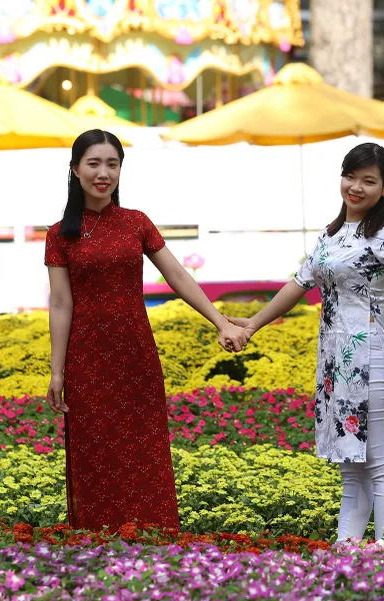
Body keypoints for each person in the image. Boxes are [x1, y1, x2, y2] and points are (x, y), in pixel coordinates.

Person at [227, 143, 384, 543]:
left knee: (381, 465)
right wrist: (253, 324)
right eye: (350, 176)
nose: (356, 187)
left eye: (368, 181)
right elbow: (299, 284)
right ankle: (346, 556)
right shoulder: (331, 234)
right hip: (334, 364)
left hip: (369, 358)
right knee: (351, 468)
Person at [44, 129, 249, 532]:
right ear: (75, 169)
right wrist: (57, 371)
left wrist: (221, 321)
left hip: (136, 355)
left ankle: (155, 535)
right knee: (94, 451)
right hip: (87, 360)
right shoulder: (59, 234)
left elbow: (177, 275)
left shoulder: (136, 223)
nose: (103, 173)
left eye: (112, 164)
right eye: (93, 164)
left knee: (145, 447)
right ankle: (97, 540)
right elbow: (60, 304)